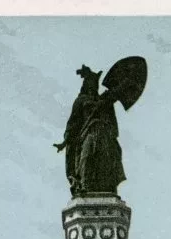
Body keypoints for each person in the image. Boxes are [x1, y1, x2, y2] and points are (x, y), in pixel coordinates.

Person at [54, 65, 126, 196]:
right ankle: (84, 187)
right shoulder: (80, 101)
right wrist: (64, 142)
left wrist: (106, 103)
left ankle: (109, 189)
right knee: (86, 158)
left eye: (95, 84)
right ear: (86, 84)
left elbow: (112, 119)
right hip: (88, 133)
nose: (93, 86)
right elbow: (73, 123)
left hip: (104, 134)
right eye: (91, 83)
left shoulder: (104, 100)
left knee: (106, 161)